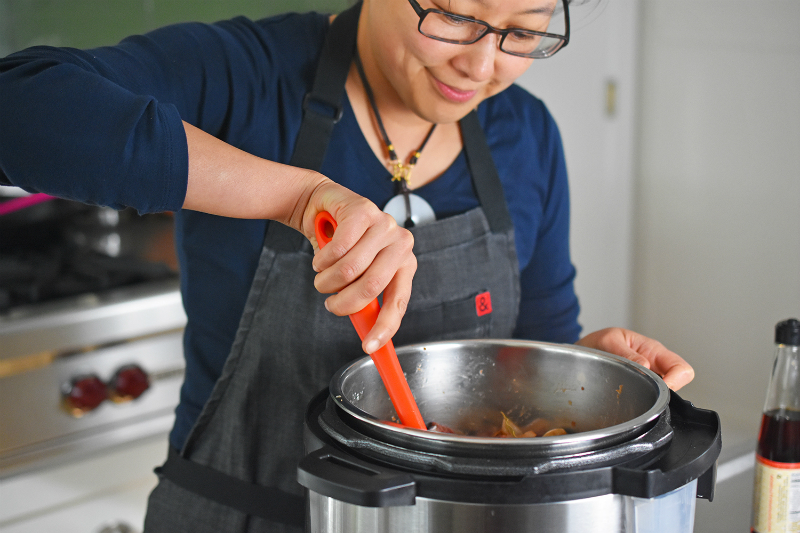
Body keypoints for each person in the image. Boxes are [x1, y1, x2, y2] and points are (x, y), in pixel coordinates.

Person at [0, 0, 695, 530]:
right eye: (455, 16)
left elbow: (535, 345)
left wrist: (584, 367)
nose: (482, 68)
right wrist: (297, 194)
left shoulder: (528, 135)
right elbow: (19, 105)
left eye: (523, 31)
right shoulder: (250, 78)